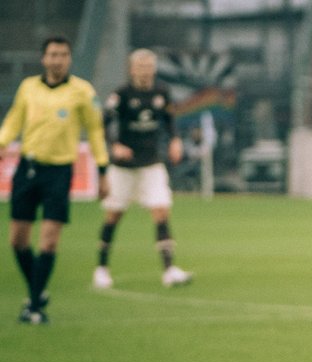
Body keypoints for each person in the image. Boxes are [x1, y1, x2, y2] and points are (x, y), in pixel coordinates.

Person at [0, 36, 109, 324]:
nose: (57, 60)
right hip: (27, 168)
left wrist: (102, 169)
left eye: (62, 55)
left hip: (59, 172)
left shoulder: (82, 91)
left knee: (48, 242)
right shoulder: (28, 87)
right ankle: (37, 291)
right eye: (52, 54)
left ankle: (35, 307)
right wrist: (2, 142)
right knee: (18, 240)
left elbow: (95, 131)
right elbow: (14, 119)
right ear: (43, 59)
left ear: (69, 59)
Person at [93, 48, 192, 290]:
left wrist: (175, 140)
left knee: (161, 212)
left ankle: (169, 270)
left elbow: (169, 120)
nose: (145, 71)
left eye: (149, 67)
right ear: (132, 69)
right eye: (140, 67)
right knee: (113, 216)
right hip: (124, 168)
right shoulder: (121, 95)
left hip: (151, 164)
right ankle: (102, 269)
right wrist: (114, 145)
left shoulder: (161, 92)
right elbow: (101, 124)